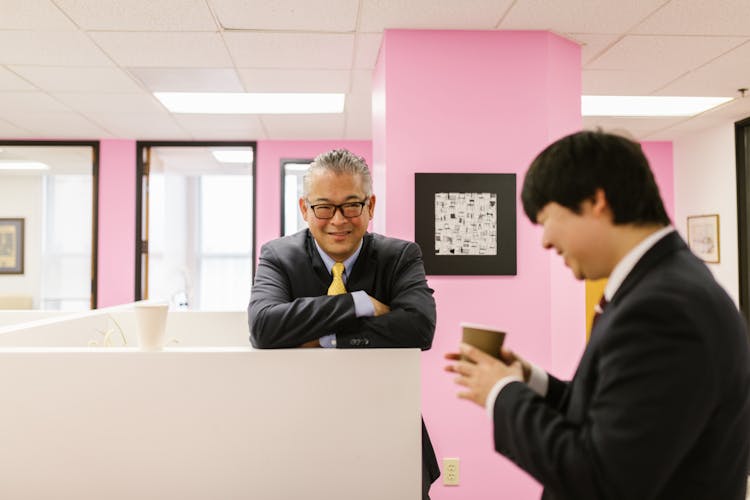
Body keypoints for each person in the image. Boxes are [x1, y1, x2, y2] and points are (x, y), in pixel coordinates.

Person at [445, 130, 750, 499]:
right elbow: (614, 416)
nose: (544, 241)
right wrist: (528, 379)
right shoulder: (662, 285)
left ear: (596, 200)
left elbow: (601, 478)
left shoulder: (663, 309)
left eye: (546, 219)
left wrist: (500, 392)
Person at [248, 148, 440, 499]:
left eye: (352, 205)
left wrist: (324, 339)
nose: (338, 220)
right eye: (324, 207)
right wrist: (359, 302)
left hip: (390, 434)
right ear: (305, 208)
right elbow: (263, 327)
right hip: (302, 436)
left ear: (371, 206)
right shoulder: (278, 256)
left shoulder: (400, 256)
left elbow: (419, 326)